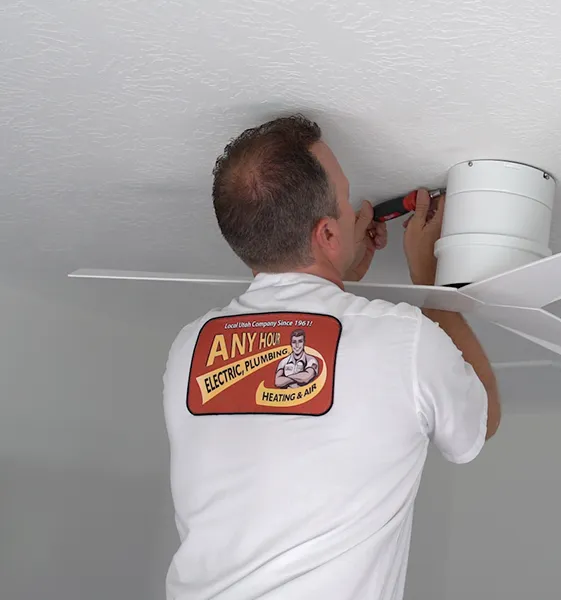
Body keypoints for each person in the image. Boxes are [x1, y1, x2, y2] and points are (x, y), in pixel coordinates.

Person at [162, 114, 501, 600]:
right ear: (325, 235)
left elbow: (297, 364)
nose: (353, 210)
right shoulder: (405, 339)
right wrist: (431, 283)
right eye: (345, 202)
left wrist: (337, 278)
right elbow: (479, 422)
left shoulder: (190, 348)